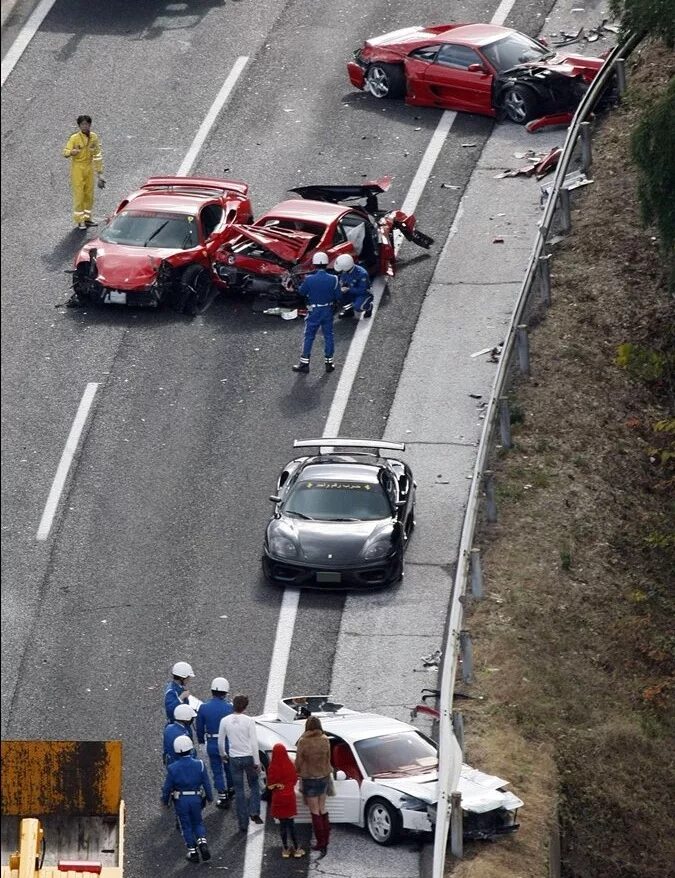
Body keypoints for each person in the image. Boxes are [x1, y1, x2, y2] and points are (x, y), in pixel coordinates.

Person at [161, 735, 213, 863]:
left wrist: (164, 800)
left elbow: (167, 787)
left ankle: (193, 851)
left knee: (186, 825)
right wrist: (210, 797)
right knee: (198, 822)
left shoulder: (173, 768)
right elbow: (206, 783)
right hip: (196, 797)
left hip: (181, 800)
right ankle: (202, 841)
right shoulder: (199, 764)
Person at [218, 694, 262, 832]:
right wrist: (257, 761)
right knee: (254, 785)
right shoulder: (249, 721)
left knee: (239, 790)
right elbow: (254, 743)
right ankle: (254, 811)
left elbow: (220, 741)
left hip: (234, 758)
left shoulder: (225, 721)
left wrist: (223, 754)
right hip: (248, 757)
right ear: (245, 707)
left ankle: (243, 824)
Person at [292, 252, 340, 374]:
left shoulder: (309, 279)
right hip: (327, 310)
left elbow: (302, 292)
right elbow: (338, 296)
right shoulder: (334, 279)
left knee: (309, 336)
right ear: (326, 263)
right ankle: (329, 363)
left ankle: (304, 363)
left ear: (314, 264)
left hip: (314, 311)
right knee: (329, 336)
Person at [294, 716, 332, 858]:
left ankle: (320, 842)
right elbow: (328, 758)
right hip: (324, 776)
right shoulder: (325, 739)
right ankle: (326, 840)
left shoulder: (303, 742)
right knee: (322, 809)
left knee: (314, 811)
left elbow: (298, 761)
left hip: (309, 778)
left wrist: (297, 772)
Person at [196, 677, 235, 809]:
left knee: (216, 770)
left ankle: (222, 795)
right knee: (229, 768)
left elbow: (200, 728)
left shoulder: (203, 707)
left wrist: (201, 742)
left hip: (212, 742)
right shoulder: (230, 707)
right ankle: (231, 789)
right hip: (227, 742)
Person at [62, 115, 105, 230]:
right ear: (79, 126)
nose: (84, 126)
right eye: (82, 124)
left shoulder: (94, 137)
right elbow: (65, 152)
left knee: (89, 195)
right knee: (79, 195)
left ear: (90, 125)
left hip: (89, 168)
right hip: (78, 169)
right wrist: (72, 152)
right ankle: (80, 221)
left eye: (86, 124)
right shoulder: (74, 138)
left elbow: (97, 155)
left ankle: (87, 218)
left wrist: (100, 174)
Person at [267, 743, 305, 859]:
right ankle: (297, 849)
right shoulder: (290, 765)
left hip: (278, 799)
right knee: (291, 825)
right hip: (289, 798)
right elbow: (294, 780)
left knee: (282, 826)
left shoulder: (272, 767)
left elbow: (269, 786)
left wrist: (277, 786)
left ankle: (285, 849)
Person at [334, 253, 373, 319]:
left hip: (364, 294)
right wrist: (340, 287)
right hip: (350, 291)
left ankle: (369, 307)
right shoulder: (345, 271)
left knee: (358, 307)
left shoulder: (362, 274)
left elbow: (363, 290)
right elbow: (342, 281)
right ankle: (349, 310)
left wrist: (348, 289)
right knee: (338, 295)